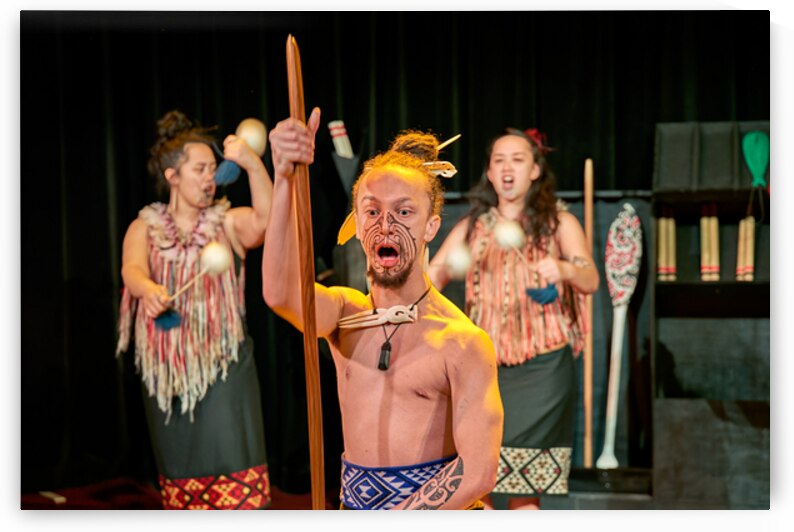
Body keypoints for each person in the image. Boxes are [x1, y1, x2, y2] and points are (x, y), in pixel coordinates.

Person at [262, 107, 504, 510]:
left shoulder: (461, 342)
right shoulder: (346, 316)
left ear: (430, 226)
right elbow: (279, 293)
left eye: (404, 212)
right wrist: (284, 177)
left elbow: (478, 471)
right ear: (357, 224)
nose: (386, 225)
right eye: (372, 211)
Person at [428, 128, 599, 510]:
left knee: (525, 493)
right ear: (490, 173)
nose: (508, 169)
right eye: (499, 161)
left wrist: (564, 269)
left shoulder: (559, 223)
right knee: (477, 487)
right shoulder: (472, 227)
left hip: (542, 372)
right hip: (485, 370)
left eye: (518, 160)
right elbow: (432, 278)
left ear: (535, 171)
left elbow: (590, 279)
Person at [116, 110, 273, 509]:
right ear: (172, 176)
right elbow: (132, 269)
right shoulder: (143, 227)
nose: (209, 178)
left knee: (238, 481)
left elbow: (265, 222)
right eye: (199, 169)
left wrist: (253, 165)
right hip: (169, 372)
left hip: (225, 369)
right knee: (184, 485)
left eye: (212, 169)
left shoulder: (227, 224)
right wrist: (148, 289)